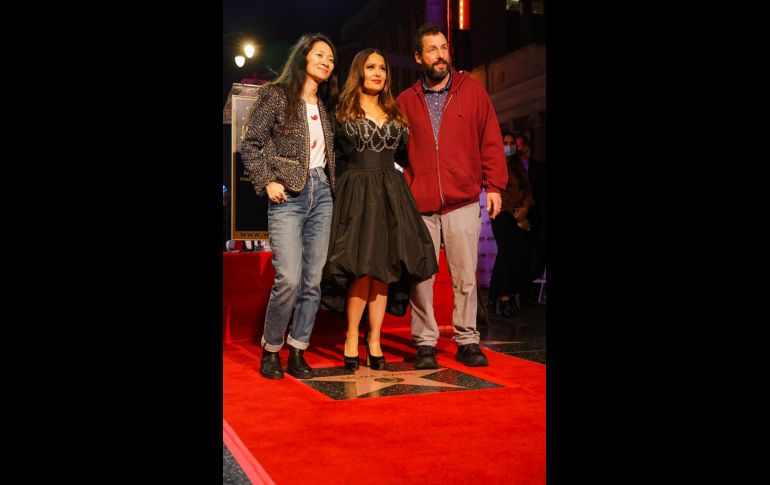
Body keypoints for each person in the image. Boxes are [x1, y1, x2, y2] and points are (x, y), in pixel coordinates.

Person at [397, 24, 508, 368]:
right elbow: (396, 152)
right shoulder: (404, 100)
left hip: (462, 199)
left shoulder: (472, 91)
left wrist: (495, 186)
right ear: (418, 57)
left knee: (464, 277)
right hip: (421, 204)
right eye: (431, 49)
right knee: (422, 279)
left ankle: (467, 339)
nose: (440, 54)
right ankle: (425, 342)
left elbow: (489, 139)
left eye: (443, 47)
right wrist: (412, 183)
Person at [321, 48, 438, 371]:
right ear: (359, 71)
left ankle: (374, 339)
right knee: (361, 269)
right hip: (356, 193)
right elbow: (331, 158)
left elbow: (408, 157)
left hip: (390, 193)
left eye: (383, 68)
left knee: (384, 271)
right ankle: (350, 336)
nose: (378, 73)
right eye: (371, 67)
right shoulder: (341, 110)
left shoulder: (395, 111)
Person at [240, 33, 338, 380]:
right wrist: (267, 181)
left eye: (331, 58)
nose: (327, 61)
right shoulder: (276, 95)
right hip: (289, 197)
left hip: (322, 194)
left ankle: (298, 350)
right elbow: (251, 144)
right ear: (303, 57)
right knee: (290, 279)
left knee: (313, 281)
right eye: (320, 54)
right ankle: (271, 350)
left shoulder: (324, 107)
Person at [489, 133, 535, 316]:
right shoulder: (496, 165)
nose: (508, 146)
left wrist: (524, 209)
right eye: (505, 143)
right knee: (506, 253)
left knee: (515, 255)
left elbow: (528, 191)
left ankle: (500, 296)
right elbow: (499, 191)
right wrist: (516, 213)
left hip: (518, 214)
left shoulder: (519, 167)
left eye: (511, 143)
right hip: (502, 213)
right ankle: (503, 297)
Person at [514, 134, 546, 306]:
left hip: (536, 217)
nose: (517, 148)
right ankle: (519, 292)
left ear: (526, 146)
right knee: (519, 255)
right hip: (518, 216)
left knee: (534, 255)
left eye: (519, 144)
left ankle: (530, 293)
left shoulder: (539, 167)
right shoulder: (513, 167)